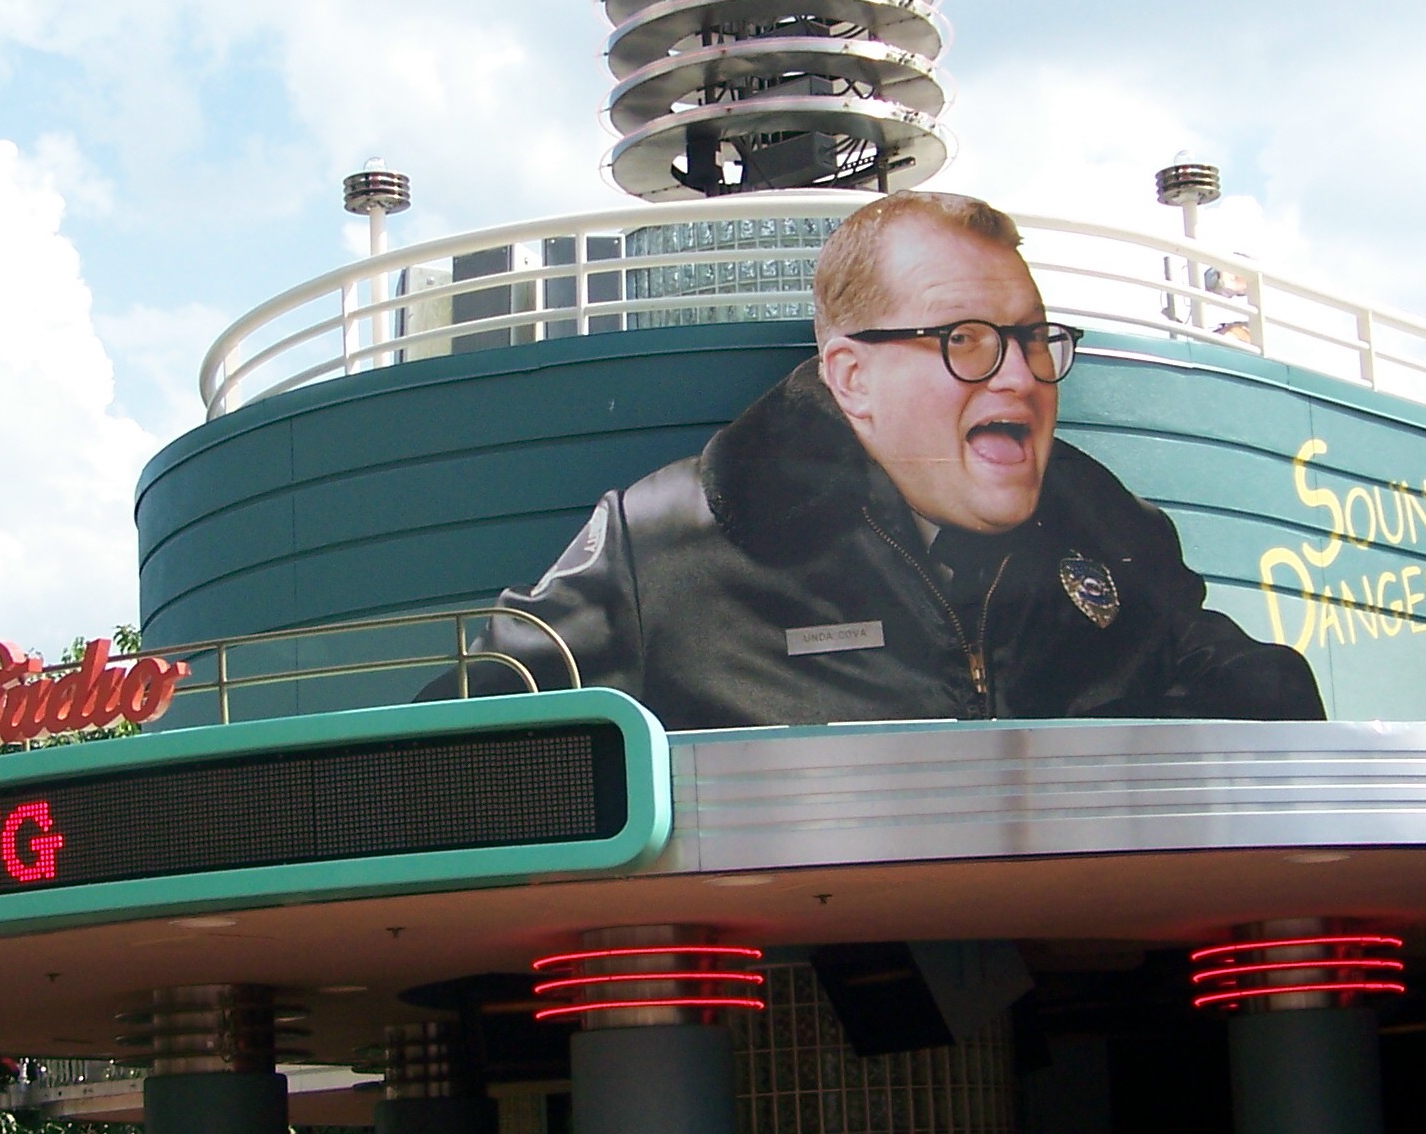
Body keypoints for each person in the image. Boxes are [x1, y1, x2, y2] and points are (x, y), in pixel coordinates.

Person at [469, 190, 1324, 730]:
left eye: (1033, 340)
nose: (1021, 378)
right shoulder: (660, 549)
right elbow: (450, 764)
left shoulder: (1108, 527)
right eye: (967, 342)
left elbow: (1256, 711)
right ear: (853, 377)